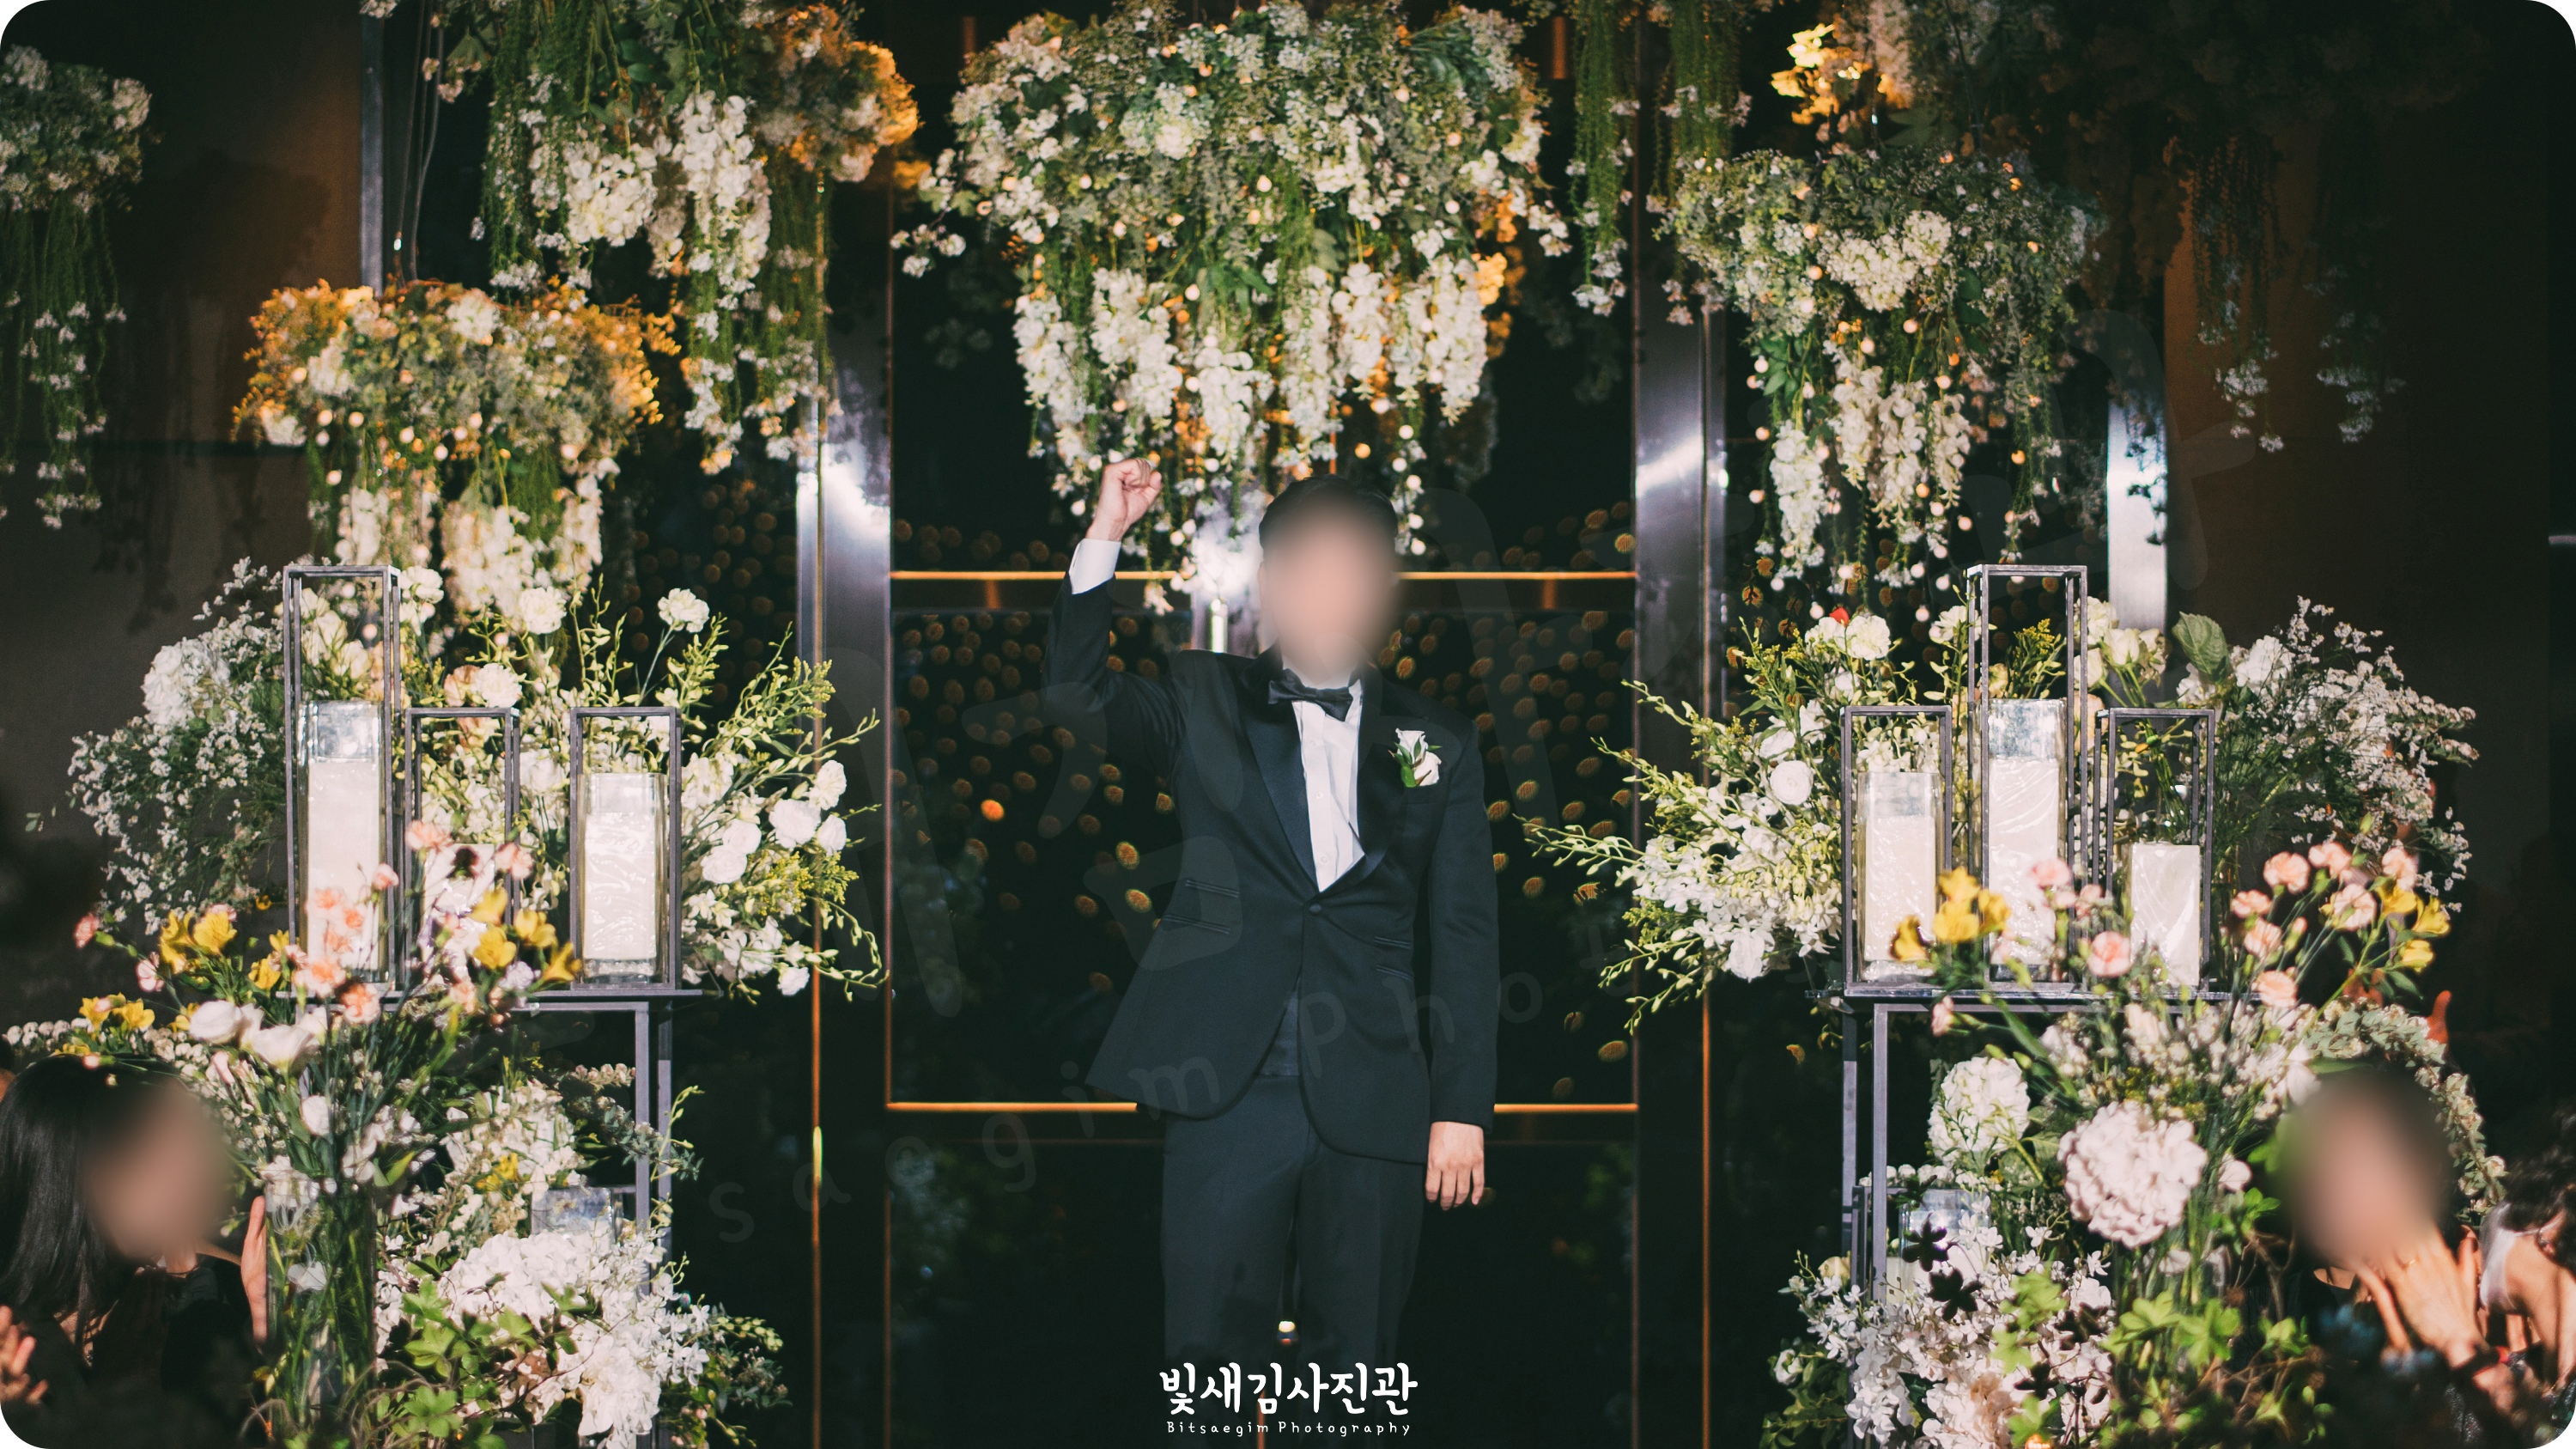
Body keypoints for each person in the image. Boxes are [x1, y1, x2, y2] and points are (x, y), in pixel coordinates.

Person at [1048, 461, 1498, 1396]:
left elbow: (1465, 933)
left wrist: (1461, 1107)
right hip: (1225, 1086)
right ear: (1274, 582)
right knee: (1209, 1372)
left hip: (1376, 1094)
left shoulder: (1441, 739)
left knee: (1357, 1381)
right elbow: (1075, 698)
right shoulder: (1202, 696)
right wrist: (1105, 535)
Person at [0, 1054, 264, 1447]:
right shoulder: (15, 1355)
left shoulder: (203, 1301)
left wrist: (268, 1343)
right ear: (90, 1176)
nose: (201, 1169)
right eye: (166, 1153)